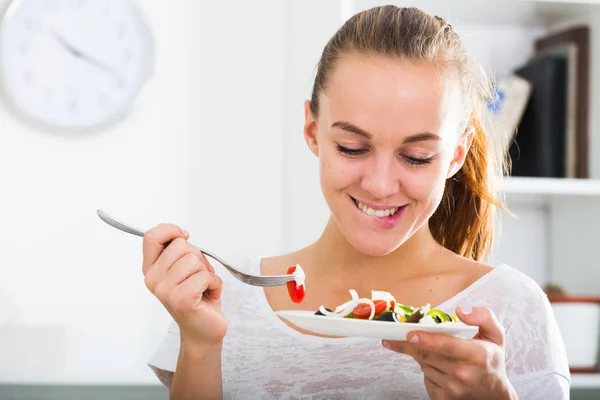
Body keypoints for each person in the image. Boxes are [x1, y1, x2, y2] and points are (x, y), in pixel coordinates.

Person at [143, 5, 570, 399]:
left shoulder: (510, 307)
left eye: (416, 156)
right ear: (312, 132)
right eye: (352, 147)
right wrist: (200, 344)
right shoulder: (226, 297)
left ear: (456, 154)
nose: (381, 185)